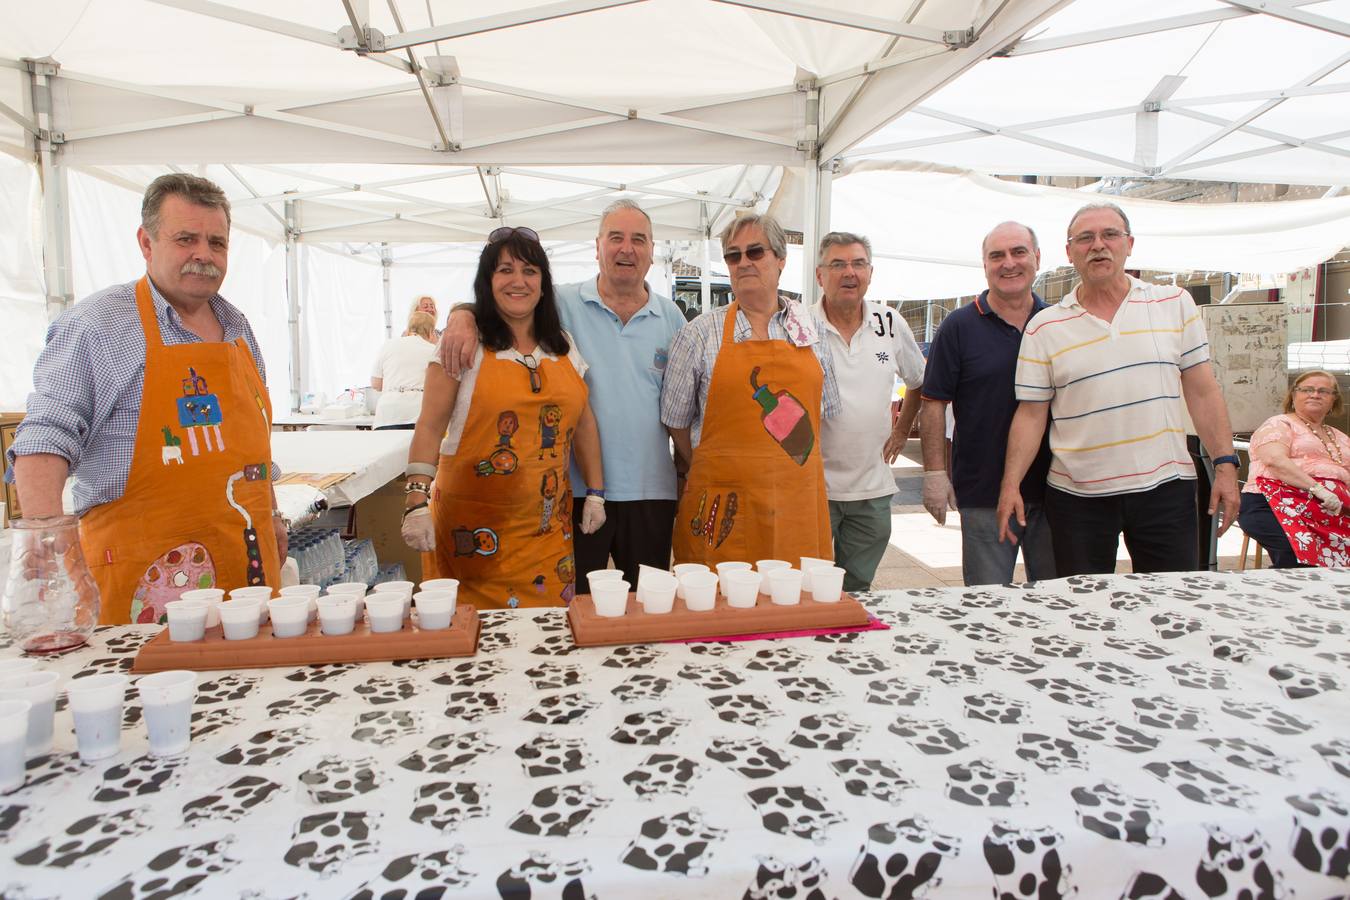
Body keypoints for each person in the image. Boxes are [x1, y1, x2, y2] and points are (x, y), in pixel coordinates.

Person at [9, 174, 284, 624]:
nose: (204, 254)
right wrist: (45, 537)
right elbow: (45, 434)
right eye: (185, 239)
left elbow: (253, 446)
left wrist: (271, 514)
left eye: (217, 242)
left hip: (247, 580)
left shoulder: (238, 327)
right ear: (146, 242)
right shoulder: (101, 325)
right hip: (146, 591)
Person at [439, 201, 686, 595]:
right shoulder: (560, 302)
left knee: (648, 609)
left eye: (638, 239)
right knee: (575, 607)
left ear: (653, 251)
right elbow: (507, 298)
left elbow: (682, 407)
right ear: (597, 247)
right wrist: (462, 314)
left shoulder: (671, 316)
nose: (627, 249)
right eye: (615, 238)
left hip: (651, 490)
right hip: (573, 491)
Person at [997, 202, 1240, 576]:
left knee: (1172, 607)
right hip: (1078, 496)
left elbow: (1203, 391)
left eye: (1109, 235)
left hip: (1165, 488)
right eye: (1085, 238)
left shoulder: (1174, 303)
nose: (1098, 245)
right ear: (1069, 252)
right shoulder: (1044, 326)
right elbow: (1031, 414)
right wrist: (1010, 485)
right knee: (1082, 609)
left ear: (1129, 243)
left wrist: (1225, 464)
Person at [401, 227, 606, 609]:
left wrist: (596, 492)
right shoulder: (462, 344)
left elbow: (585, 423)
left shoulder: (562, 346)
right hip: (472, 537)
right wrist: (415, 501)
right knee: (472, 645)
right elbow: (429, 426)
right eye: (505, 270)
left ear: (543, 284)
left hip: (546, 533)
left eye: (530, 271)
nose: (518, 281)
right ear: (487, 282)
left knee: (545, 640)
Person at [661, 213, 842, 567]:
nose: (743, 262)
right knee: (718, 608)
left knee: (793, 606)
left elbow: (825, 414)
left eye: (755, 252)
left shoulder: (812, 333)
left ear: (780, 260)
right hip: (723, 505)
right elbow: (675, 422)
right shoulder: (698, 334)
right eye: (733, 255)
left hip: (795, 506)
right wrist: (715, 463)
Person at [921, 222, 1056, 585]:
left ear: (1037, 258)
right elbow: (932, 402)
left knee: (1059, 600)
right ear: (985, 265)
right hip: (983, 492)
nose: (1008, 263)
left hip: (1056, 490)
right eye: (997, 256)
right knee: (987, 604)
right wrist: (935, 473)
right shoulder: (959, 326)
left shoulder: (1058, 323)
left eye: (1018, 252)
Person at [810, 231, 925, 591]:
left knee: (858, 588)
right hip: (812, 490)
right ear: (819, 275)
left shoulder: (889, 323)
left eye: (858, 264)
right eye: (838, 264)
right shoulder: (798, 325)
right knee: (807, 589)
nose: (849, 273)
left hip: (871, 491)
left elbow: (919, 379)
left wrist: (903, 430)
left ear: (870, 273)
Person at [1239, 370, 1350, 567]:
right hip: (1273, 504)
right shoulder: (1279, 424)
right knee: (1299, 551)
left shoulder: (1340, 437)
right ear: (1293, 396)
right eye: (1307, 389)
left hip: (1329, 512)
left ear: (1334, 400)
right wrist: (1318, 489)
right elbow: (1275, 460)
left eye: (1324, 391)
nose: (1315, 394)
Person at [370, 310, 438, 430]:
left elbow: (376, 384)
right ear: (431, 331)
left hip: (388, 413)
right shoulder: (433, 350)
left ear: (409, 328)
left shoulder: (388, 345)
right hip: (419, 412)